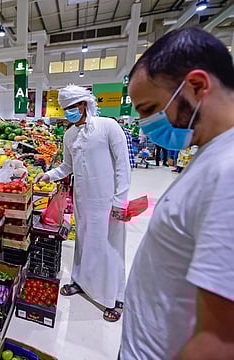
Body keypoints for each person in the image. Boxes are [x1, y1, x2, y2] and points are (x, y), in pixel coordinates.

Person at [121, 27, 234, 359]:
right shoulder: (211, 153)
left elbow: (220, 341)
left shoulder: (228, 172)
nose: (144, 124)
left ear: (197, 86)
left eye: (149, 108)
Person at [35, 85, 131, 322]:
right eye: (65, 108)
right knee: (84, 241)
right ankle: (81, 281)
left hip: (108, 200)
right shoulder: (69, 135)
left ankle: (113, 298)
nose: (69, 112)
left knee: (109, 246)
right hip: (82, 198)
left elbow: (122, 164)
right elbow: (67, 166)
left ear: (83, 105)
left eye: (71, 107)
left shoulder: (108, 126)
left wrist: (121, 199)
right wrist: (49, 175)